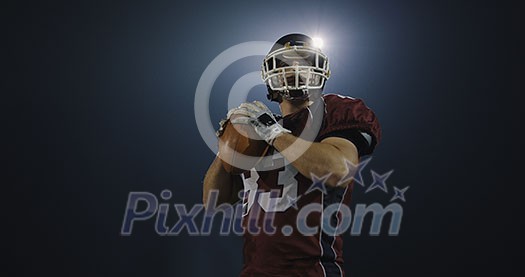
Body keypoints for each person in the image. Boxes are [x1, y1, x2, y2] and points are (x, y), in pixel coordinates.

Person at [203, 33, 381, 276]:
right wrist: (226, 148)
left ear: (320, 72)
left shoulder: (333, 112)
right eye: (286, 64)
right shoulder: (258, 130)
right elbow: (215, 201)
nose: (296, 69)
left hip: (312, 270)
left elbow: (339, 171)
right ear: (271, 75)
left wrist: (274, 133)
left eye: (305, 62)